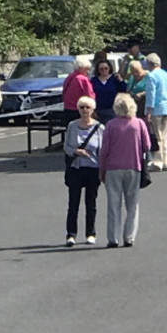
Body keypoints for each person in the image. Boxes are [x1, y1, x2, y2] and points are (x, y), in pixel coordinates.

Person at [99, 93, 151, 248]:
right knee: (132, 203)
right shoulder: (139, 124)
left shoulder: (110, 125)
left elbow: (104, 150)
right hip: (133, 166)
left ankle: (113, 238)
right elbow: (147, 146)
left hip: (113, 168)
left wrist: (101, 170)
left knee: (113, 204)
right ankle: (129, 237)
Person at [63, 96, 103, 247]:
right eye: (82, 107)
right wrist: (76, 151)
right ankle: (71, 234)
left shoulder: (100, 128)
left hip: (93, 169)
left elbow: (103, 150)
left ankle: (91, 233)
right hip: (76, 168)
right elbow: (66, 147)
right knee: (73, 202)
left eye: (88, 107)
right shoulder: (72, 126)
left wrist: (103, 169)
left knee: (90, 203)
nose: (85, 110)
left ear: (93, 110)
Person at [144, 53, 167, 172]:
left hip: (156, 109)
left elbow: (151, 94)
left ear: (149, 64)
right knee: (164, 137)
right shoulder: (166, 75)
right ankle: (165, 161)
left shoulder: (151, 76)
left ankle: (157, 162)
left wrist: (148, 110)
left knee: (156, 136)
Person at [90, 58, 126, 124]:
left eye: (106, 68)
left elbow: (124, 90)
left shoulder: (115, 79)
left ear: (109, 68)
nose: (104, 70)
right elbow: (90, 95)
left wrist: (121, 80)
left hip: (112, 111)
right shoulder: (94, 80)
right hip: (98, 111)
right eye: (101, 69)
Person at [62, 57, 95, 127]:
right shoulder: (83, 79)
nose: (88, 71)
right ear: (80, 68)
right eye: (86, 69)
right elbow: (90, 96)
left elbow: (64, 92)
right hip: (80, 111)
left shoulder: (69, 77)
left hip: (67, 109)